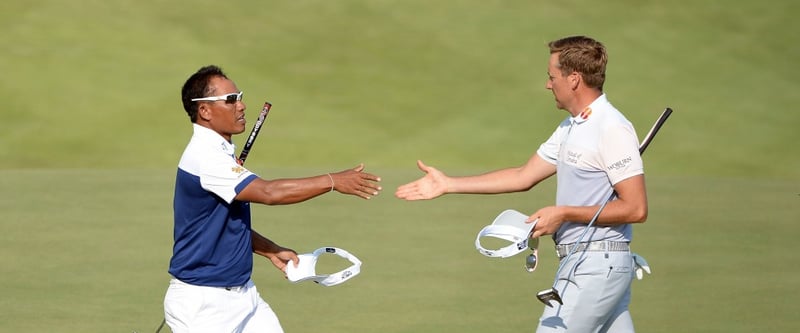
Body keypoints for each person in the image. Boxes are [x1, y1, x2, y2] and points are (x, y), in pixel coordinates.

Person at [395, 36, 647, 332]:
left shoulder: (611, 127)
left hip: (595, 266)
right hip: (591, 264)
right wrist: (449, 183)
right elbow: (522, 176)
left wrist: (563, 213)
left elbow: (635, 208)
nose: (548, 84)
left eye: (552, 77)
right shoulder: (572, 127)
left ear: (574, 79)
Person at [164, 65, 382, 333]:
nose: (241, 106)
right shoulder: (206, 157)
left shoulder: (218, 152)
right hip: (203, 305)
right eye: (231, 100)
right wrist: (333, 181)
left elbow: (222, 222)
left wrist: (270, 250)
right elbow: (269, 192)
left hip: (244, 297)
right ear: (205, 111)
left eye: (240, 96)